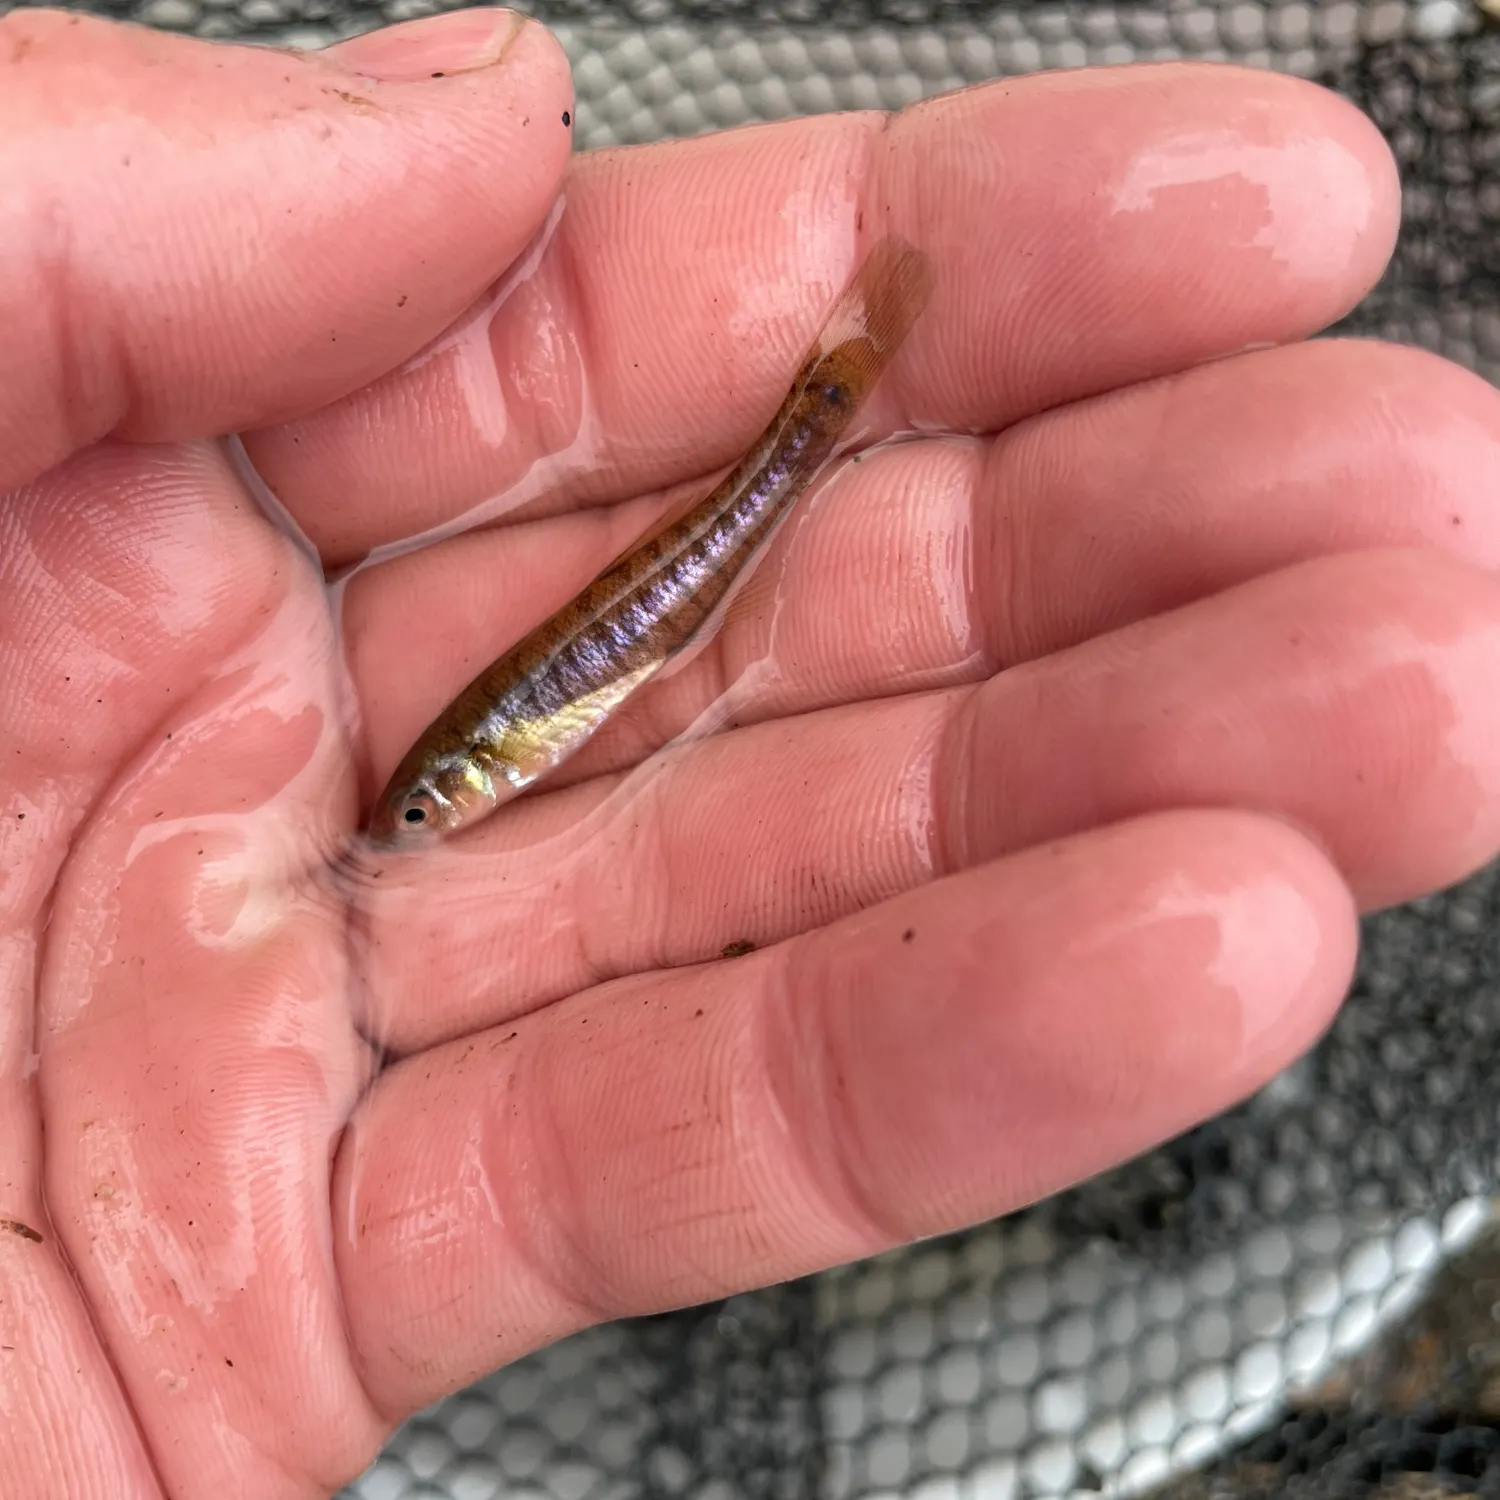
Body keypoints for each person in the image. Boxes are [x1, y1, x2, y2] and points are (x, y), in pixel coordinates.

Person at [4, 6, 1499, 1496]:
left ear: (460, 785)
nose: (424, 817)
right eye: (423, 809)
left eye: (430, 804)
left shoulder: (465, 762)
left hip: (700, 555)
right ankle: (830, 405)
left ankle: (833, 397)